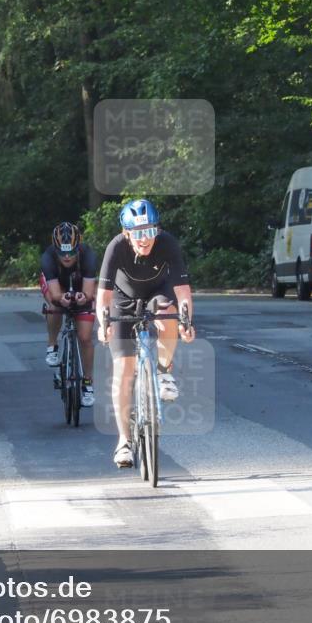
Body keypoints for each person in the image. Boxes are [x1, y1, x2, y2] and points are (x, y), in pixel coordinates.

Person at [97, 199, 195, 468]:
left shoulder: (167, 243)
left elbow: (182, 291)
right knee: (123, 370)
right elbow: (103, 295)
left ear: (157, 230)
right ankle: (124, 441)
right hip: (122, 299)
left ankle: (163, 372)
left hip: (157, 293)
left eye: (150, 231)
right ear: (127, 233)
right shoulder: (116, 246)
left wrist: (187, 322)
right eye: (138, 233)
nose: (145, 239)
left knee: (168, 313)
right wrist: (103, 324)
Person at [41, 222, 98, 407]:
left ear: (78, 248)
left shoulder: (88, 256)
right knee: (54, 305)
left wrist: (83, 297)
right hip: (58, 284)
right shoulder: (48, 257)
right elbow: (55, 294)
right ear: (55, 249)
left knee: (85, 337)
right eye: (62, 252)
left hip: (81, 284)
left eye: (71, 252)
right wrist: (61, 298)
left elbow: (88, 292)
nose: (67, 257)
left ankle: (87, 383)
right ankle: (52, 345)